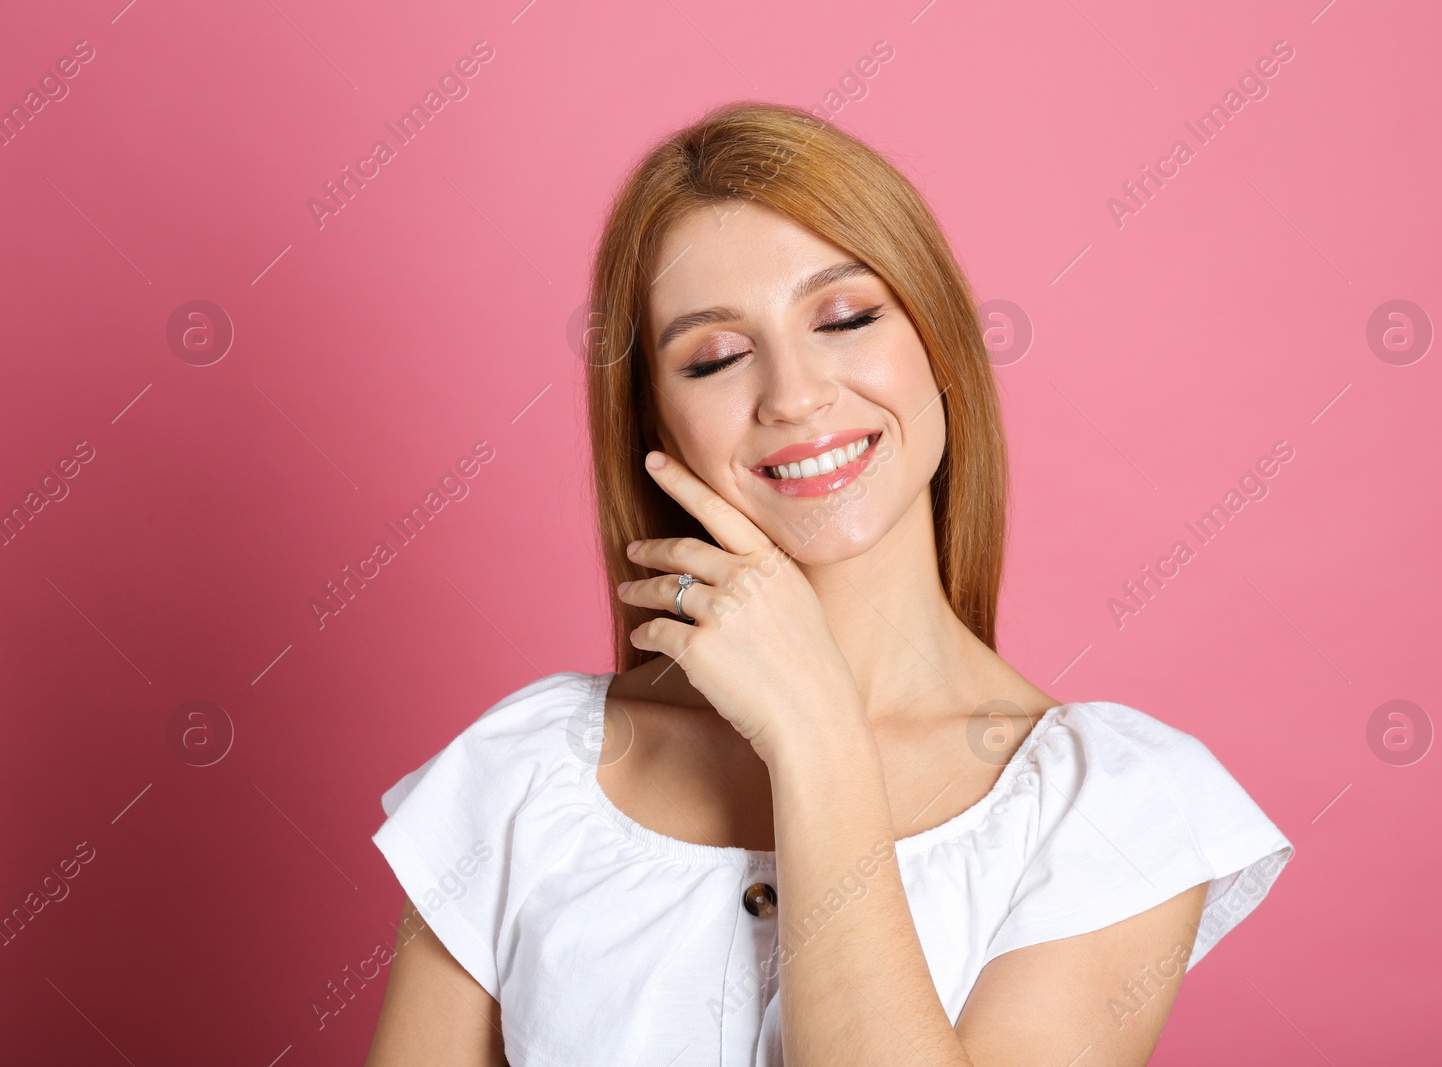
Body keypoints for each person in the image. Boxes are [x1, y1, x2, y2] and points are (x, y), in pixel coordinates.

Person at [364, 101, 1292, 1067]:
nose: (794, 395)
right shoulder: (523, 777)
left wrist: (814, 736)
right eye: (715, 357)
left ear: (938, 341)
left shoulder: (1117, 809)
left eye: (846, 318)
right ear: (659, 427)